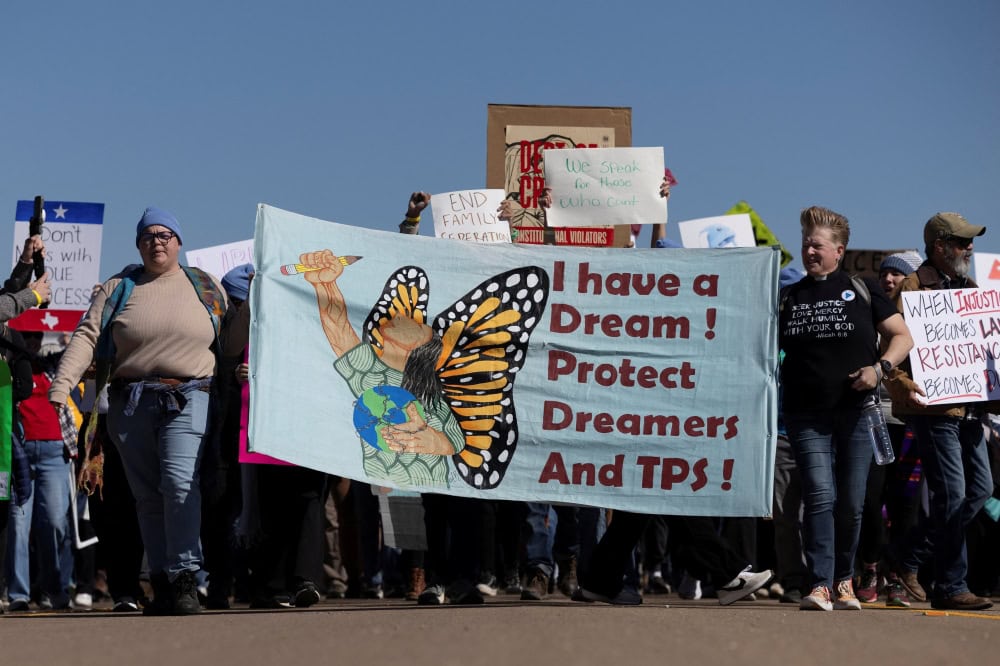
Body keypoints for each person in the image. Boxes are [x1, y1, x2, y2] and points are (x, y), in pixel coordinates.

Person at [49, 206, 227, 616]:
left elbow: (231, 340)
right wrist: (62, 387)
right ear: (138, 244)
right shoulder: (119, 288)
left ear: (180, 243)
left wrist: (251, 308)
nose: (157, 241)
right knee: (147, 497)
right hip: (131, 404)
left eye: (165, 234)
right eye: (148, 235)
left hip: (189, 396)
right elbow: (87, 335)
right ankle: (162, 581)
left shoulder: (206, 287)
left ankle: (185, 577)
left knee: (180, 484)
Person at [779, 206, 913, 611]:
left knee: (853, 502)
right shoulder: (789, 296)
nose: (809, 251)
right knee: (820, 495)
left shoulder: (865, 288)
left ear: (839, 251)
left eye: (817, 245)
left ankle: (844, 580)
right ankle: (819, 583)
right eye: (805, 244)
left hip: (857, 414)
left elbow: (902, 338)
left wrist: (879, 369)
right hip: (805, 415)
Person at [884, 212, 995, 611]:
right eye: (962, 242)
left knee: (979, 491)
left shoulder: (969, 287)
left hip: (968, 408)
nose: (969, 247)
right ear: (939, 246)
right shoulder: (914, 287)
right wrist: (905, 387)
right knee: (953, 493)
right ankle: (951, 585)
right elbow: (891, 345)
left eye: (969, 241)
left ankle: (906, 556)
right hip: (932, 408)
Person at [854, 251, 925, 607]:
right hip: (873, 421)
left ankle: (895, 576)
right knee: (869, 500)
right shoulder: (866, 317)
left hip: (911, 424)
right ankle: (869, 567)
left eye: (897, 275)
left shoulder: (926, 324)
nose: (888, 280)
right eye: (884, 274)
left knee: (905, 507)